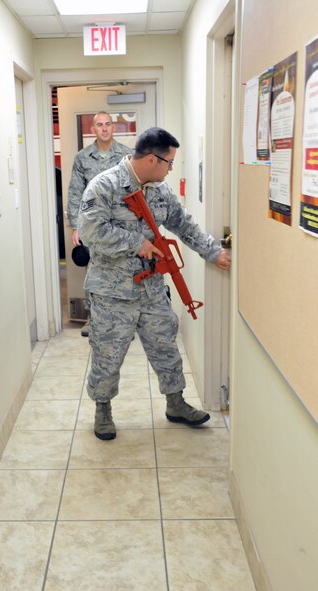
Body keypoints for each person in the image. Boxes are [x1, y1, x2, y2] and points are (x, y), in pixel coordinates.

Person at [78, 127, 231, 441]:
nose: (171, 169)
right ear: (152, 159)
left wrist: (213, 252)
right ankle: (103, 409)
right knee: (108, 354)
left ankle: (175, 403)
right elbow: (90, 231)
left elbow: (183, 223)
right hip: (111, 292)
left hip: (151, 289)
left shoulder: (160, 191)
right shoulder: (104, 186)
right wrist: (136, 243)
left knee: (165, 346)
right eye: (169, 163)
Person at [67, 111, 132, 336]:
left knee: (124, 271)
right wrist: (76, 226)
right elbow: (75, 193)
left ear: (113, 128)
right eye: (99, 125)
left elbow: (136, 189)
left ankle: (125, 322)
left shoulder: (127, 156)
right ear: (93, 129)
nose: (104, 128)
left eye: (108, 124)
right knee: (94, 272)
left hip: (122, 225)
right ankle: (93, 319)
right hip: (93, 225)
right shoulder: (83, 158)